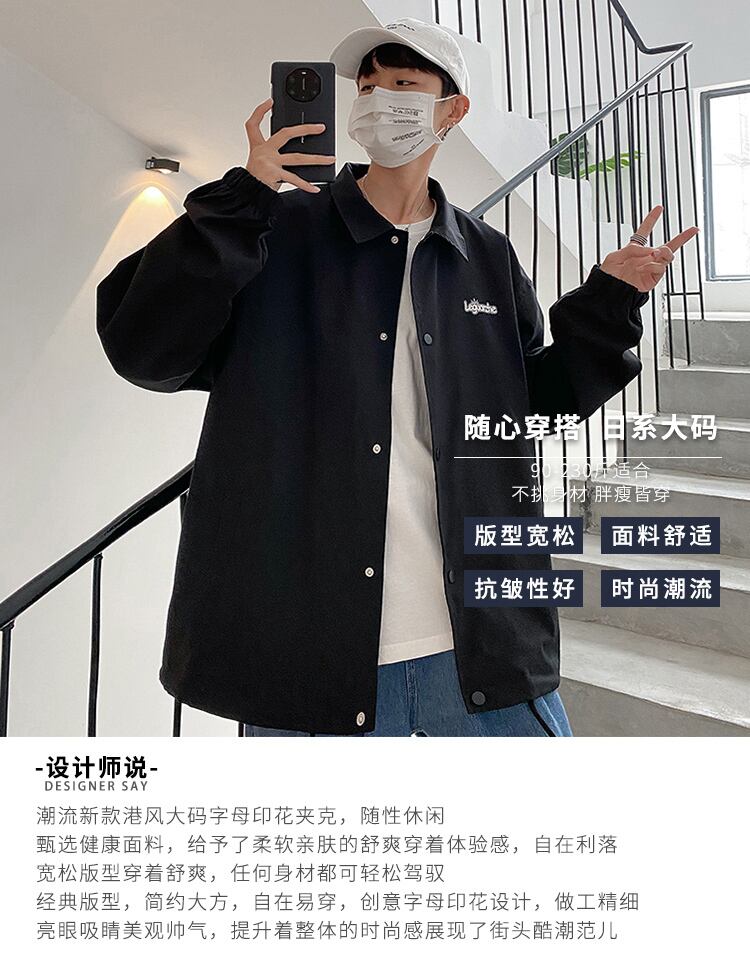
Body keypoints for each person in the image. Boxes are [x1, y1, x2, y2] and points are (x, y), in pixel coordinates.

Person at [96, 18, 698, 738]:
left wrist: (608, 303)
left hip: (478, 642)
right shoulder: (277, 231)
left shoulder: (485, 255)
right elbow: (145, 349)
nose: (380, 101)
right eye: (369, 86)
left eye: (404, 84)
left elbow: (532, 406)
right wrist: (242, 200)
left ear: (452, 111)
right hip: (306, 658)